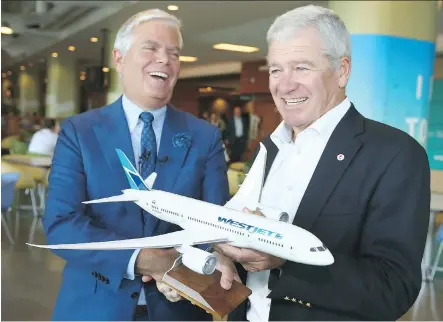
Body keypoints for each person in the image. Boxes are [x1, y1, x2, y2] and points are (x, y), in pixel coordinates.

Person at [215, 5, 430, 321]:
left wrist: (284, 259)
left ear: (342, 71)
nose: (284, 85)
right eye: (276, 70)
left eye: (301, 67)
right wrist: (225, 256)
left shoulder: (396, 154)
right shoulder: (267, 148)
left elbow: (393, 287)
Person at [43, 9, 236, 321]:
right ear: (119, 58)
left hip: (179, 308)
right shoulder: (79, 133)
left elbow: (216, 225)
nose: (165, 59)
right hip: (94, 305)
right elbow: (61, 224)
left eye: (174, 53)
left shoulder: (205, 137)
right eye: (151, 48)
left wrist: (190, 268)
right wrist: (143, 259)